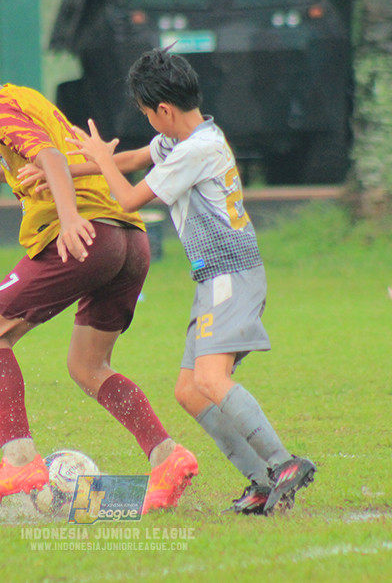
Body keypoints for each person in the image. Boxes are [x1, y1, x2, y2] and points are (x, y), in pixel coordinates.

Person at [0, 32, 198, 512]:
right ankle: (167, 457)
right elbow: (49, 157)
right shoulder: (23, 99)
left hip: (85, 235)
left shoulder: (0, 112)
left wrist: (68, 219)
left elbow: (49, 160)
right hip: (128, 239)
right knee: (88, 366)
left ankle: (18, 459)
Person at [57, 48, 316, 515]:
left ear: (164, 110)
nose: (146, 121)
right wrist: (60, 172)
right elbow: (132, 158)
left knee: (211, 379)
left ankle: (284, 463)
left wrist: (99, 158)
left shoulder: (197, 150)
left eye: (145, 112)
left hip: (230, 276)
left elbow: (129, 198)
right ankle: (262, 481)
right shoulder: (182, 139)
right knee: (190, 391)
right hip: (215, 279)